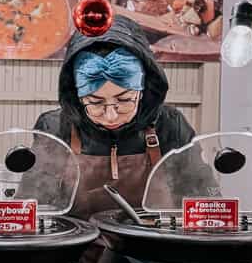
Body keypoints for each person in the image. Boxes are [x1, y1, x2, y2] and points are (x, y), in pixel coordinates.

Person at [34, 16, 201, 221]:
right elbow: (35, 204)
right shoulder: (54, 127)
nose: (111, 115)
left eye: (124, 100)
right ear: (77, 97)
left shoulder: (171, 125)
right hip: (78, 249)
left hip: (151, 248)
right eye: (95, 103)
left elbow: (201, 199)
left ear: (143, 90)